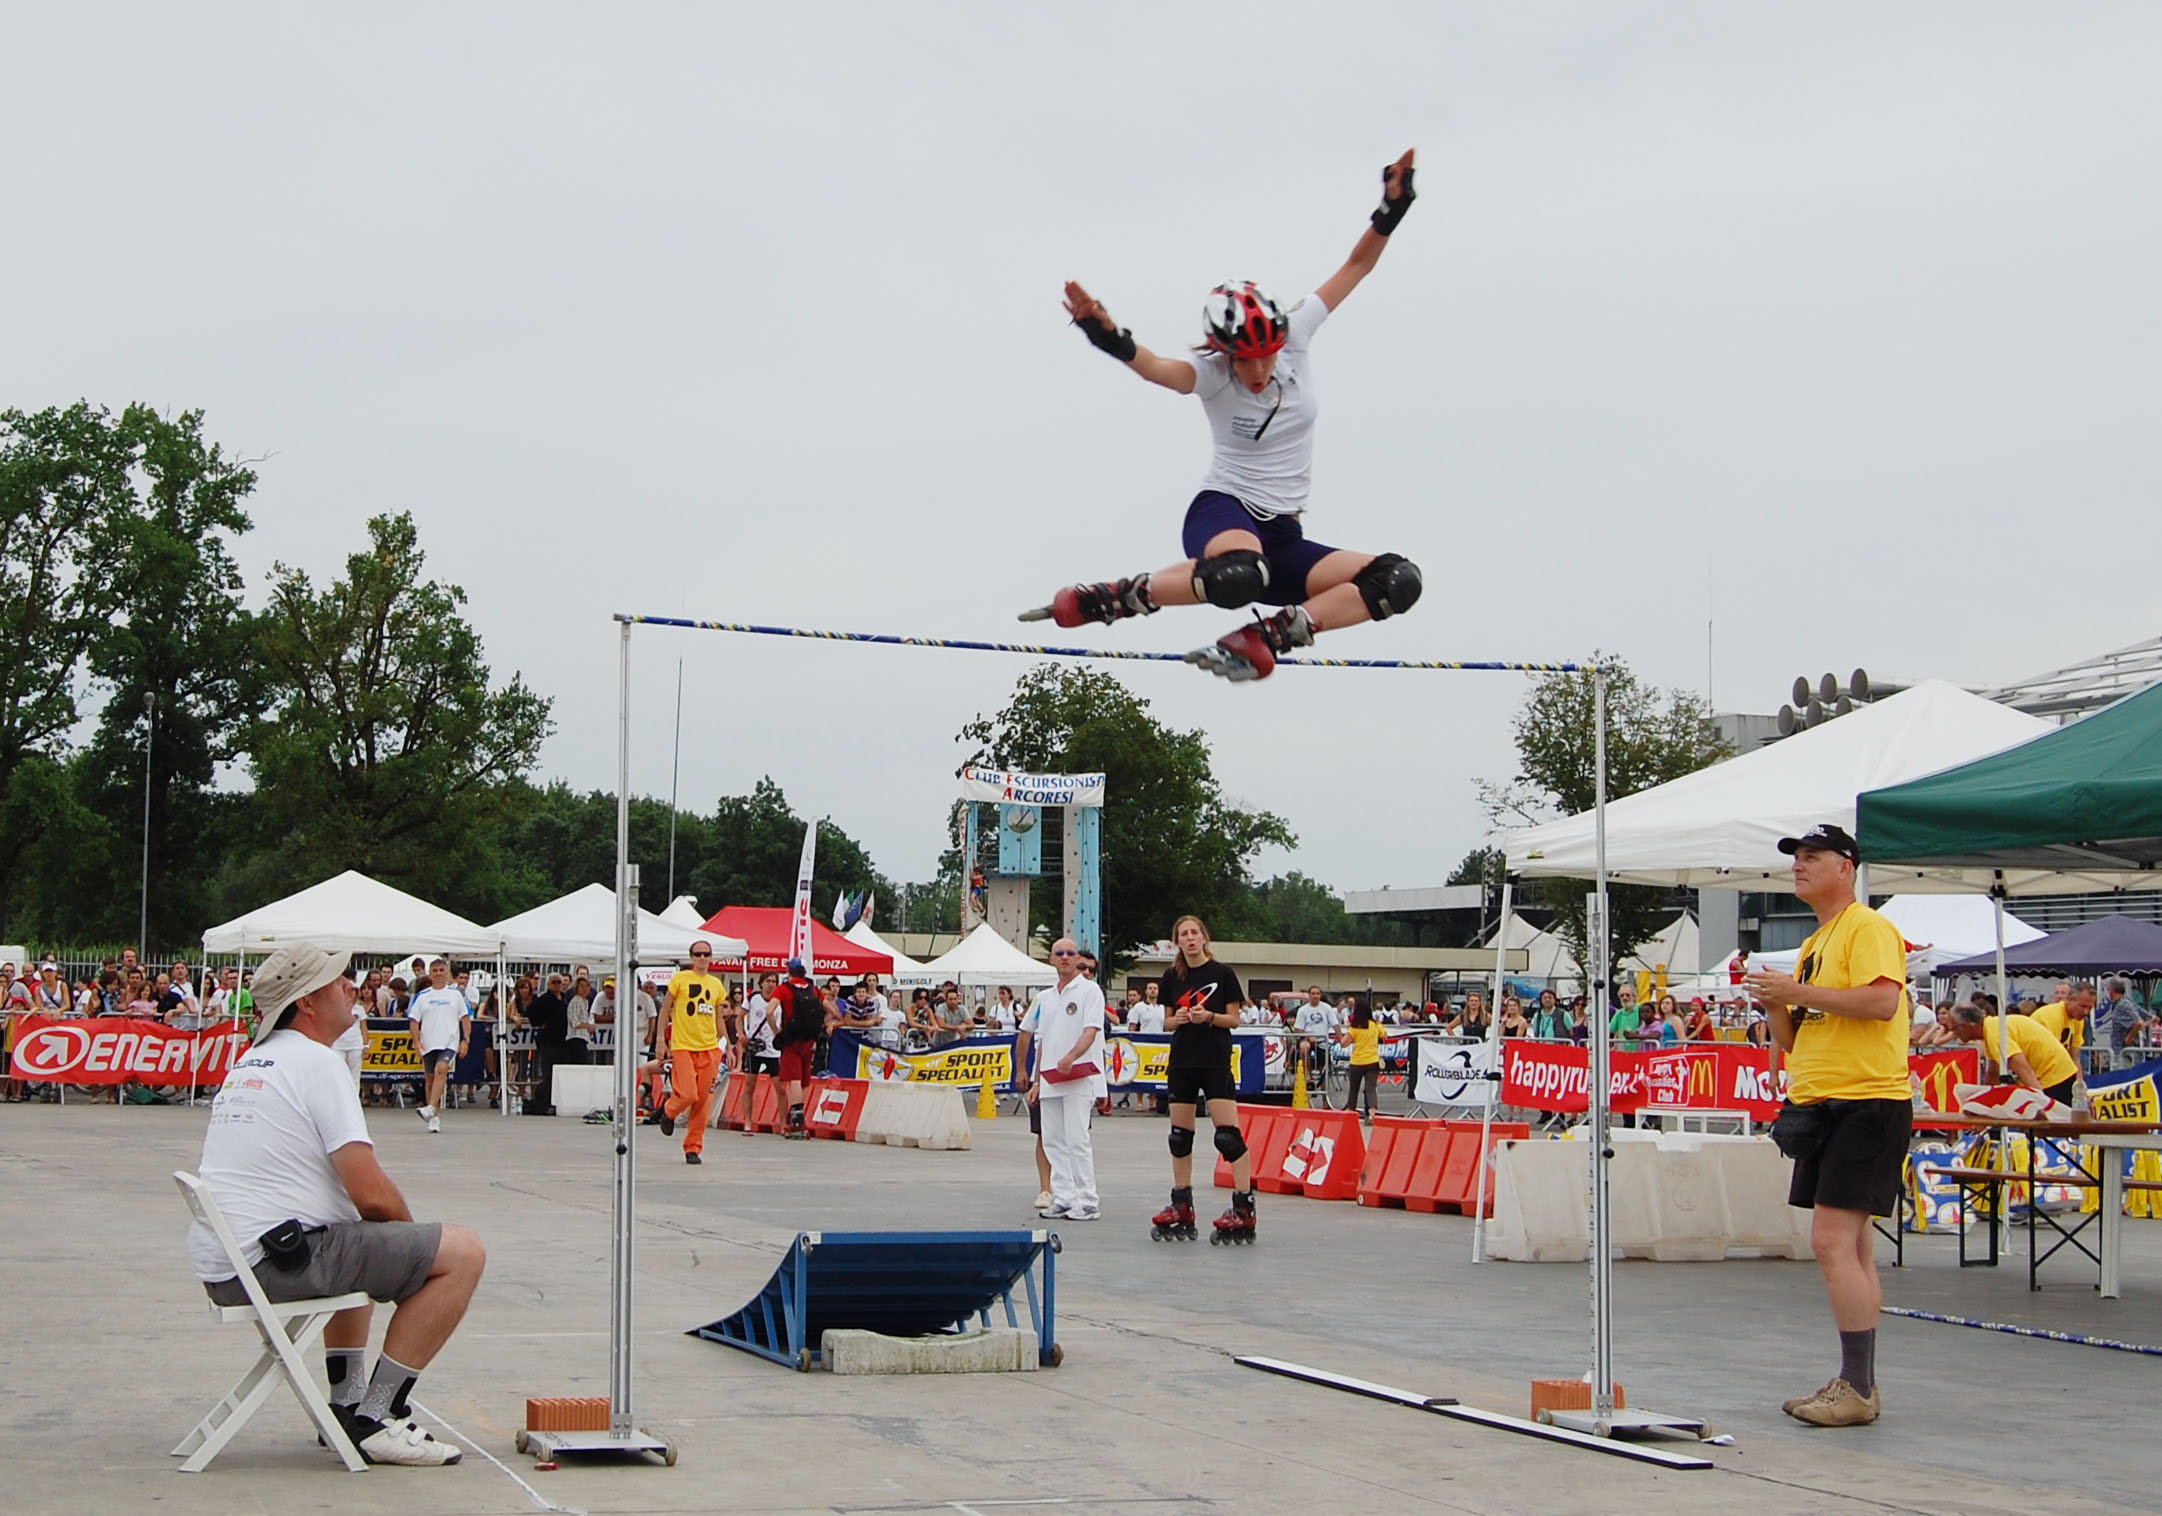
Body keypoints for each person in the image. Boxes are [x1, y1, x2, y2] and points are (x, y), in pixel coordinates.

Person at [1029, 151, 1425, 682]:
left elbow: (1356, 266)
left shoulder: (1298, 335)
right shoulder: (1212, 372)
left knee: (1396, 579)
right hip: (1226, 512)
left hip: (1283, 534)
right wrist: (1103, 330)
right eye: (1245, 359)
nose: (1259, 370)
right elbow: (1155, 368)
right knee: (1241, 574)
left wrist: (1391, 209)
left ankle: (1267, 637)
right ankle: (1117, 598)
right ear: (1225, 352)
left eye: (1267, 355)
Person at [187, 941, 484, 1466]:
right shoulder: (317, 1064)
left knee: (355, 1240)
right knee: (462, 1253)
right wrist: (411, 1244)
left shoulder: (255, 1060)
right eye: (338, 981)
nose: (352, 987)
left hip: (233, 1263)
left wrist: (393, 1243)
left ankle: (344, 1409)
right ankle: (376, 1416)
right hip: (271, 1264)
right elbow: (371, 1192)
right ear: (305, 1002)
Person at [1743, 824, 1911, 1429]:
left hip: (1865, 1099)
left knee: (1831, 1242)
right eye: (1796, 858)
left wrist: (1795, 988)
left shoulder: (1867, 928)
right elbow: (1795, 1039)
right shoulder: (1819, 940)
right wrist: (1775, 1002)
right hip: (1827, 1101)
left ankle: (1858, 1387)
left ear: (1847, 866)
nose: (1799, 867)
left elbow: (1882, 1003)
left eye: (1813, 857)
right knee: (1852, 1243)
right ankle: (1856, 1380)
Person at [1151, 914, 1257, 1243]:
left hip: (1214, 1059)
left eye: (1194, 932)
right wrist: (1180, 1017)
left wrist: (1209, 1016)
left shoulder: (1222, 973)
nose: (1190, 938)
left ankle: (1243, 1205)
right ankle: (1181, 1202)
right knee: (1179, 1136)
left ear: (1204, 937)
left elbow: (1234, 1020)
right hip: (1183, 1059)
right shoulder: (1172, 975)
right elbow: (1167, 1023)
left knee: (1227, 1136)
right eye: (1184, 934)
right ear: (1178, 942)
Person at [1026, 938, 1106, 1220]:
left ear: (1078, 960)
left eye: (1070, 954)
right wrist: (1036, 1081)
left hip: (1077, 1075)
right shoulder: (1046, 997)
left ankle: (1087, 1199)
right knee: (1052, 1140)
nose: (1065, 957)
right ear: (1051, 959)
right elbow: (1041, 1040)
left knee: (1077, 1138)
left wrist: (1072, 1056)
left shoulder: (1089, 990)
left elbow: (1091, 1030)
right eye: (1059, 953)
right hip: (1049, 1077)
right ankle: (1063, 1196)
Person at [656, 942, 727, 1163]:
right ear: (691, 957)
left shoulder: (716, 984)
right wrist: (661, 1039)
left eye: (706, 954)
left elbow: (718, 1016)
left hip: (709, 1047)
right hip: (683, 1045)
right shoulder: (680, 979)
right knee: (688, 1093)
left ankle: (693, 1147)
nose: (702, 958)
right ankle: (668, 1111)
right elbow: (666, 1009)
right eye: (698, 954)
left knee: (704, 1100)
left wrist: (729, 1044)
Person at [1945, 1003, 2082, 1104]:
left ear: (1967, 1025)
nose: (1953, 1034)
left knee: (2048, 1130)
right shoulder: (1991, 1028)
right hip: (2055, 1073)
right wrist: (1982, 1106)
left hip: (2055, 1077)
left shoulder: (1995, 1034)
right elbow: (1993, 1074)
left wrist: (2042, 1104)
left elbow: (2024, 1069)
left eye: (1954, 1029)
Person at [406, 959, 470, 1134]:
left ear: (447, 973)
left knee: (441, 1068)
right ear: (430, 973)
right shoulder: (423, 996)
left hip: (449, 1041)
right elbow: (413, 1021)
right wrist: (416, 1041)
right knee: (430, 1080)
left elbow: (465, 1018)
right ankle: (433, 1117)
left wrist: (466, 1040)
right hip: (429, 1042)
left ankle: (431, 1108)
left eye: (442, 970)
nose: (438, 973)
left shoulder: (455, 994)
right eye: (435, 970)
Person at [771, 958, 826, 1138]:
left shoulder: (784, 989)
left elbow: (769, 1011)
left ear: (789, 971)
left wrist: (776, 1030)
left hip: (791, 1037)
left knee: (793, 1078)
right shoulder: (814, 989)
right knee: (804, 1079)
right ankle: (798, 1116)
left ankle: (796, 1120)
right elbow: (829, 1008)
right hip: (809, 1039)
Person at [525, 973, 569, 1116]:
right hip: (548, 1040)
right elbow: (530, 1010)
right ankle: (543, 1103)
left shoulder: (564, 998)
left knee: (558, 1073)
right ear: (549, 984)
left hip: (562, 1040)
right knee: (548, 1073)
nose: (557, 985)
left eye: (559, 982)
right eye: (554, 982)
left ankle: (555, 1102)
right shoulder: (544, 999)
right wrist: (539, 1023)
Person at [2028, 982, 2097, 1072]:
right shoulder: (2051, 1016)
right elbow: (2051, 1057)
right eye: (2082, 1006)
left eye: (2090, 1008)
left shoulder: (2078, 1019)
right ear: (2069, 1000)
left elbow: (2074, 1057)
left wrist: (2079, 1082)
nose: (2086, 1012)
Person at [1341, 1002, 1385, 1122]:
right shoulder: (1374, 1025)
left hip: (1357, 1062)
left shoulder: (1354, 1028)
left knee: (1353, 1089)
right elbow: (1384, 1034)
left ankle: (1350, 1111)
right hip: (1372, 1061)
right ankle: (1372, 1113)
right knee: (1370, 1088)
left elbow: (1343, 1043)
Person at [2098, 979, 2151, 1070]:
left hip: (2125, 1053)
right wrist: (2151, 1018)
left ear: (2111, 990)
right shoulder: (2124, 1001)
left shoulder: (2123, 1005)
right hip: (2122, 1052)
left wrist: (2129, 1038)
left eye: (2108, 989)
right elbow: (2142, 1014)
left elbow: (2138, 1023)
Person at [562, 970, 597, 1067]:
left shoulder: (584, 1001)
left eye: (587, 986)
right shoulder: (576, 1001)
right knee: (579, 1066)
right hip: (576, 1039)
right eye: (582, 986)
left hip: (582, 1038)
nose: (585, 989)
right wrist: (589, 1026)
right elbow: (575, 1023)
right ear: (577, 988)